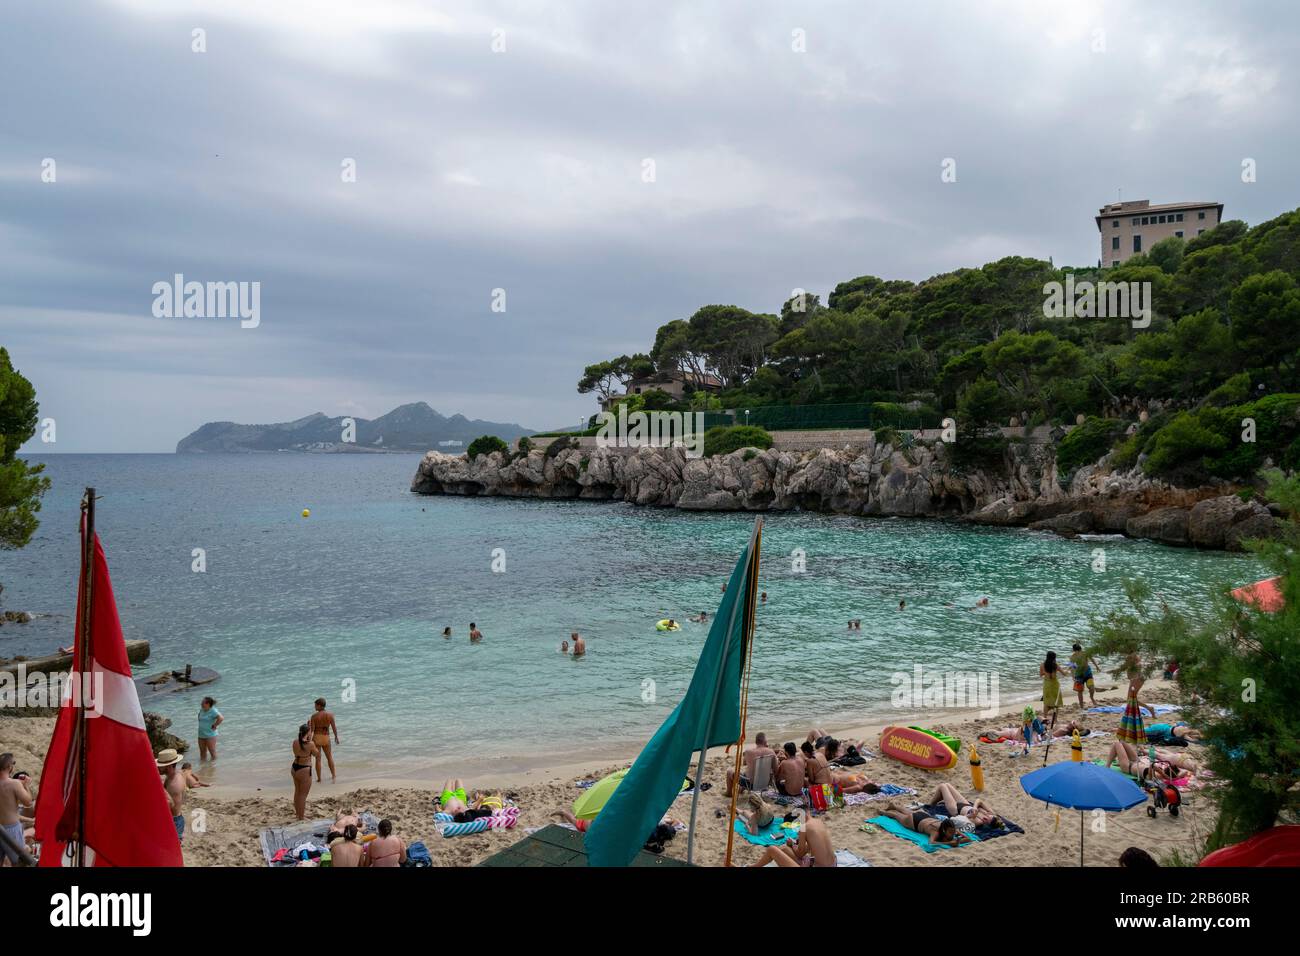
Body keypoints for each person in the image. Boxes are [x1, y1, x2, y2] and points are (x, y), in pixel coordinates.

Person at [745, 817, 835, 867]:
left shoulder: (804, 827)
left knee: (771, 849)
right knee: (783, 849)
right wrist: (794, 844)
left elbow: (800, 854)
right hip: (833, 864)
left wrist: (792, 844)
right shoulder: (818, 822)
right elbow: (811, 849)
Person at [879, 801, 973, 846]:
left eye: (953, 832)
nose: (952, 834)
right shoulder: (936, 831)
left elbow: (969, 839)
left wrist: (958, 841)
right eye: (950, 832)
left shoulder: (951, 829)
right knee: (897, 816)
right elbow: (931, 842)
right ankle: (883, 812)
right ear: (944, 830)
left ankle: (894, 805)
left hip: (924, 816)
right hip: (915, 821)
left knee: (907, 811)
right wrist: (949, 843)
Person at [0, 753, 34, 866]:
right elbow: (28, 802)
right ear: (10, 767)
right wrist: (26, 785)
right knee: (20, 862)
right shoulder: (14, 784)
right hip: (11, 830)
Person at [927, 782, 1001, 829]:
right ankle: (940, 799)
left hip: (956, 810)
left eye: (987, 820)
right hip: (966, 804)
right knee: (947, 785)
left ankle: (931, 805)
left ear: (987, 824)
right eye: (989, 816)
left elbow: (964, 819)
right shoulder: (990, 813)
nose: (987, 816)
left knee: (942, 786)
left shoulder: (979, 822)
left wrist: (971, 815)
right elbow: (979, 801)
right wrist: (975, 807)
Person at [156, 749, 186, 844]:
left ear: (168, 767)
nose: (158, 768)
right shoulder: (177, 774)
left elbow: (171, 805)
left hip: (174, 821)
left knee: (172, 846)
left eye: (160, 767)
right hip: (177, 818)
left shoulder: (174, 784)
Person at [309, 698, 339, 783]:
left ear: (319, 705)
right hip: (326, 737)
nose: (314, 707)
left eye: (315, 705)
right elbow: (334, 727)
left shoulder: (314, 716)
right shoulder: (330, 715)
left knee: (318, 759)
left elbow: (312, 730)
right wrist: (336, 737)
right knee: (329, 757)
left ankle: (319, 778)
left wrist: (309, 740)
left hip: (317, 737)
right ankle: (333, 775)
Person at [291, 724, 317, 820]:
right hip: (304, 769)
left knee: (297, 791)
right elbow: (316, 754)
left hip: (294, 768)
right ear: (308, 733)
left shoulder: (295, 742)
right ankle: (301, 817)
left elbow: (299, 750)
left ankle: (298, 814)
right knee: (303, 795)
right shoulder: (310, 744)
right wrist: (312, 742)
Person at [1116, 671, 1147, 746]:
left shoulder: (1133, 660)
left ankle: (1149, 708)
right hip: (1136, 677)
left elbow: (1133, 668)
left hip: (1136, 677)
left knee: (1131, 698)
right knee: (1131, 699)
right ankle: (1149, 708)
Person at [1070, 644, 1099, 708]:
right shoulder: (1072, 657)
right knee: (1080, 691)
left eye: (1079, 652)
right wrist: (1072, 677)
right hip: (1078, 675)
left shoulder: (1085, 653)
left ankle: (1091, 697)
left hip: (1088, 673)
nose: (1079, 653)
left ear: (1081, 650)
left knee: (1091, 687)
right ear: (1074, 651)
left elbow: (1092, 659)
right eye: (1077, 652)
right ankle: (1081, 706)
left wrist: (1097, 667)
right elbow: (1072, 668)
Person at [196, 696, 222, 762]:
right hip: (201, 734)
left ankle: (213, 768)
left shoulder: (213, 710)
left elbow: (221, 718)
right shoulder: (202, 709)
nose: (201, 704)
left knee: (212, 752)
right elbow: (199, 716)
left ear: (208, 704)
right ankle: (203, 768)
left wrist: (215, 725)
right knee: (202, 752)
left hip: (210, 734)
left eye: (202, 703)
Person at [1040, 651, 1064, 719]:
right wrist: (1070, 668)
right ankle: (1055, 719)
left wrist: (1046, 672)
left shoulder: (1042, 665)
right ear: (1054, 658)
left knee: (1046, 702)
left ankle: (1045, 717)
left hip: (1047, 685)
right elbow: (1064, 673)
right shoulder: (1055, 665)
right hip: (1055, 685)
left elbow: (1041, 675)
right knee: (1056, 703)